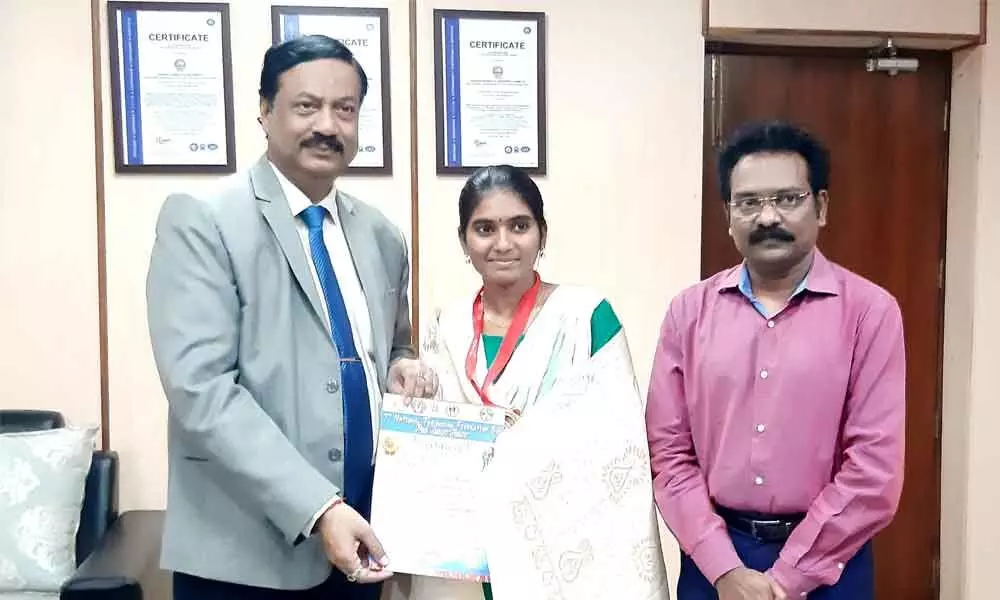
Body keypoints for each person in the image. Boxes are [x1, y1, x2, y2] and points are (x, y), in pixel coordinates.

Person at [146, 35, 437, 600]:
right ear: (264, 111)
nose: (327, 124)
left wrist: (400, 371)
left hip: (362, 544)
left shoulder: (382, 236)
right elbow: (202, 390)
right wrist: (319, 507)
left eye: (345, 109)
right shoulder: (202, 222)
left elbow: (391, 349)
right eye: (307, 106)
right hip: (243, 560)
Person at [645, 121, 905, 600]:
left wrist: (787, 578)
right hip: (715, 561)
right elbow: (669, 454)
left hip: (831, 566)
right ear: (728, 215)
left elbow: (874, 470)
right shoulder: (688, 312)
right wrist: (725, 571)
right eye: (748, 203)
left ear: (820, 206)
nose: (767, 217)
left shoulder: (871, 312)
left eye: (788, 199)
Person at [384, 164, 667, 600]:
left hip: (557, 546)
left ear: (542, 233)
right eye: (484, 228)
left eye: (519, 226)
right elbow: (433, 437)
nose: (502, 243)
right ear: (464, 241)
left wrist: (519, 441)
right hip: (465, 548)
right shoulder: (450, 322)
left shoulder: (587, 317)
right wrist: (414, 391)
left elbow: (617, 448)